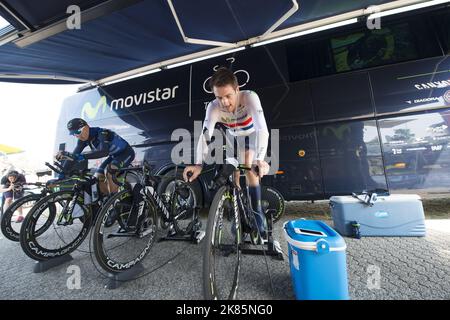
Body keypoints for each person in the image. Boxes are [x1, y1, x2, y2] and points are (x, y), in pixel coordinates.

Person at [183, 67, 270, 238]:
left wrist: (260, 159)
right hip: (233, 136)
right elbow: (205, 135)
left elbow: (262, 129)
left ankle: (257, 213)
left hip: (251, 135)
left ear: (237, 89)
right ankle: (239, 215)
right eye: (219, 97)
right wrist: (198, 164)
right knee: (232, 174)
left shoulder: (250, 97)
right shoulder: (213, 107)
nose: (224, 102)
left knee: (248, 166)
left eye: (228, 96)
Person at [56, 118, 135, 196]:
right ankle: (107, 201)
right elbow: (73, 157)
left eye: (78, 132)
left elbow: (103, 152)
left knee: (110, 171)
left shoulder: (102, 133)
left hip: (126, 153)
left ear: (86, 127)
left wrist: (81, 156)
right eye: (74, 134)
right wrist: (61, 175)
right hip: (114, 156)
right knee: (98, 176)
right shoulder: (82, 140)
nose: (77, 136)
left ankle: (114, 200)